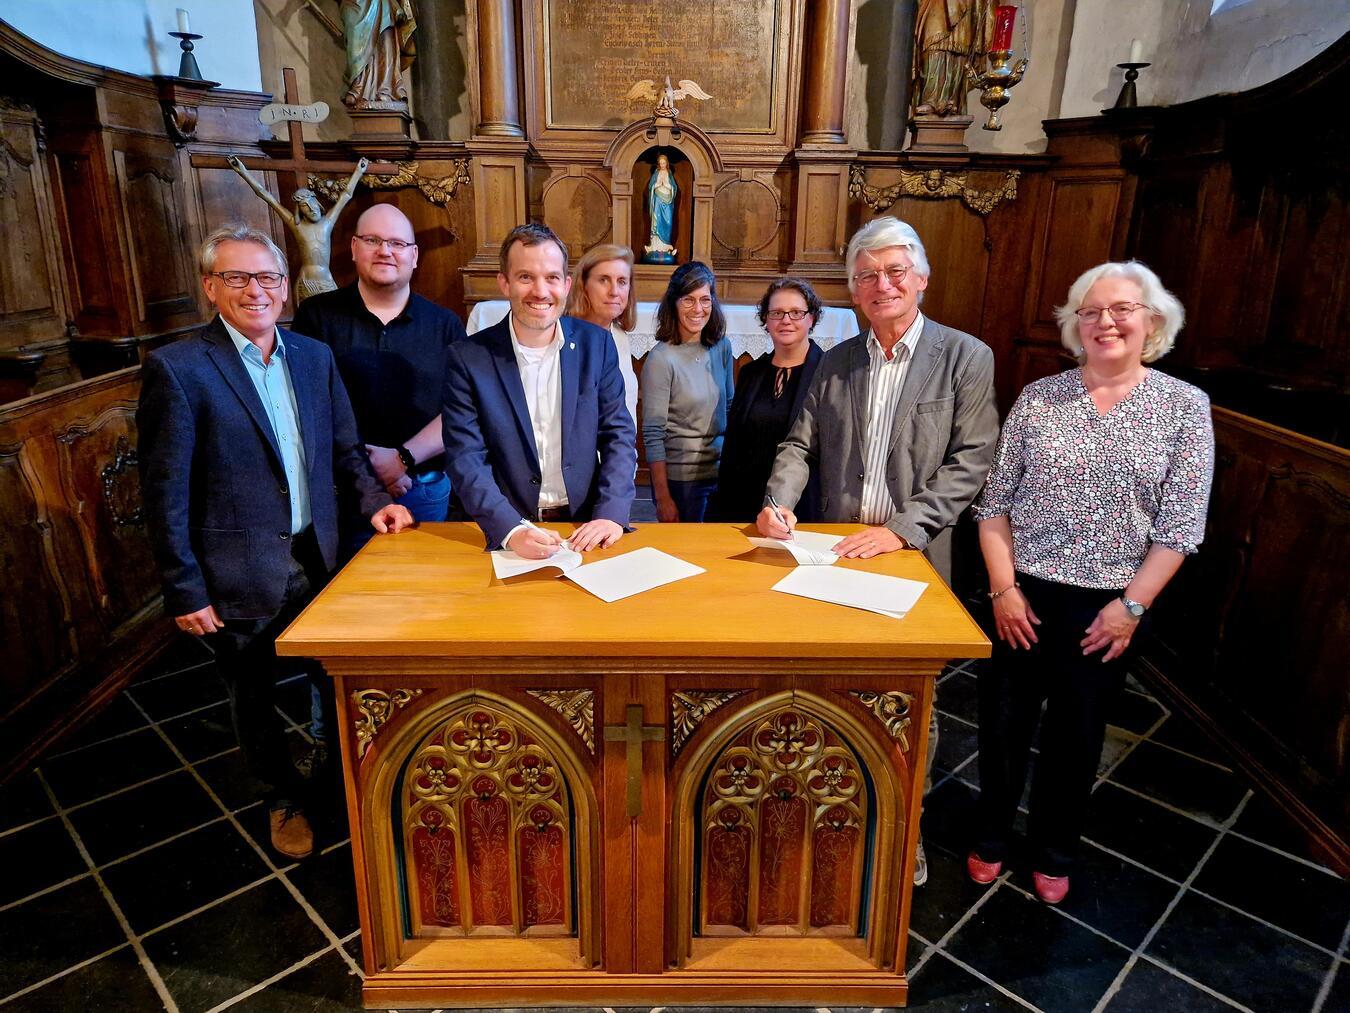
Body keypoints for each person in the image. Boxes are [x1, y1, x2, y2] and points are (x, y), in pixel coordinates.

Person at [137, 225, 412, 860]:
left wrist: (377, 505)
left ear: (286, 287)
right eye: (236, 277)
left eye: (266, 277)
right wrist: (184, 587)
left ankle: (341, 781)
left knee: (332, 678)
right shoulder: (179, 369)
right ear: (210, 287)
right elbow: (164, 491)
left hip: (319, 555)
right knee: (253, 693)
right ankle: (279, 796)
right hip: (236, 568)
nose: (254, 290)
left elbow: (345, 450)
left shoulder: (313, 357)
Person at [758, 216, 999, 886]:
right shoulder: (836, 360)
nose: (881, 284)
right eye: (867, 275)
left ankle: (902, 830)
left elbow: (972, 460)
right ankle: (834, 810)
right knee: (832, 687)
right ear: (854, 289)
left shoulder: (965, 357)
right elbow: (799, 444)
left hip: (912, 554)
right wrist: (779, 501)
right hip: (834, 551)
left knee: (909, 701)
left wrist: (902, 529)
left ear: (921, 278)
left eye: (894, 271)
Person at [967, 261, 1214, 904]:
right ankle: (991, 835)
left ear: (1151, 321)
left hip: (1109, 605)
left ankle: (1054, 849)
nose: (1106, 321)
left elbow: (1180, 528)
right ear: (1075, 324)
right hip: (1021, 593)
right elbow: (993, 506)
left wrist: (1131, 608)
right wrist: (1003, 590)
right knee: (1002, 724)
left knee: (1076, 735)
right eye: (1091, 311)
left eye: (1121, 309)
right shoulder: (1039, 397)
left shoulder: (1184, 408)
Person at [290, 202, 467, 766]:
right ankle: (333, 738)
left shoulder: (443, 324)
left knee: (423, 611)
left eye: (398, 243)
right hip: (338, 496)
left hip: (423, 485)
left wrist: (403, 458)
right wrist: (364, 467)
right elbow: (308, 405)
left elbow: (458, 409)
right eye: (373, 240)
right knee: (338, 618)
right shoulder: (319, 317)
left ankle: (419, 727)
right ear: (354, 250)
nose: (385, 251)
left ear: (414, 257)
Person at [442, 223, 636, 557]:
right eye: (525, 277)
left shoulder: (597, 345)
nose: (541, 291)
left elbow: (618, 433)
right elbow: (466, 456)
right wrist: (510, 529)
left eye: (551, 277)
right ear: (505, 282)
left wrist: (611, 513)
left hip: (584, 526)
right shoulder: (468, 358)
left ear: (566, 284)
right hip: (507, 527)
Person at [711, 278, 825, 522]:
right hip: (744, 504)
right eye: (777, 313)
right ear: (766, 319)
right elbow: (733, 446)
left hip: (801, 507)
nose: (786, 320)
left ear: (811, 318)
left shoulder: (827, 373)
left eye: (796, 312)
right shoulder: (751, 373)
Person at [641, 261, 735, 523]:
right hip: (681, 482)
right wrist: (663, 498)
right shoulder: (661, 358)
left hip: (720, 475)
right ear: (674, 303)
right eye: (688, 300)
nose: (698, 309)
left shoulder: (722, 346)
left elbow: (729, 407)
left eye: (705, 300)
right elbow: (653, 433)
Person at [226, 154, 368, 301]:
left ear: (318, 203)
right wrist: (243, 171)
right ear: (300, 211)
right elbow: (266, 195)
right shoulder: (297, 225)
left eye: (312, 203)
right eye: (305, 206)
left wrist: (359, 172)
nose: (311, 209)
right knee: (306, 315)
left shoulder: (327, 223)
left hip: (326, 282)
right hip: (306, 282)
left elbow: (346, 195)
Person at [564, 243, 640, 426]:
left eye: (622, 282)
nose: (614, 292)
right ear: (583, 285)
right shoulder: (564, 338)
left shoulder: (619, 336)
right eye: (604, 280)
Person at [342, 0, 417, 108]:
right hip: (354, 4)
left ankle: (385, 88)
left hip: (383, 3)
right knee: (355, 39)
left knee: (385, 36)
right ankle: (358, 86)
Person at [643, 151, 679, 264]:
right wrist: (657, 185)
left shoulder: (669, 174)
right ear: (658, 164)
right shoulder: (656, 173)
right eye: (661, 163)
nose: (662, 165)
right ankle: (654, 246)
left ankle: (666, 245)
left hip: (667, 202)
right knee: (656, 221)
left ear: (667, 163)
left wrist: (668, 186)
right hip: (658, 200)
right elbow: (651, 187)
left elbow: (674, 188)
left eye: (664, 163)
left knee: (668, 222)